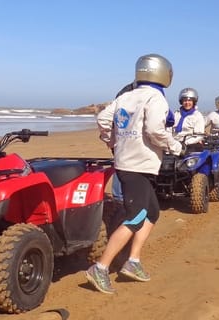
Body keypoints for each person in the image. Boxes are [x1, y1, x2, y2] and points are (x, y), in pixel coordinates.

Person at [90, 53, 182, 294]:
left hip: (126, 163)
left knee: (152, 212)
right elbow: (154, 130)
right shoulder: (156, 97)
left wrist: (111, 141)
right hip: (138, 166)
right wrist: (175, 145)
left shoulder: (126, 96)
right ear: (163, 73)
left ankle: (133, 261)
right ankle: (100, 268)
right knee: (137, 216)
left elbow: (103, 118)